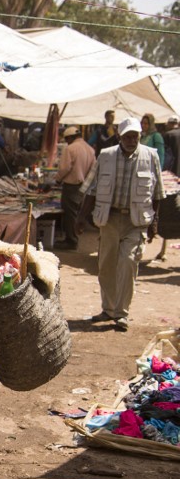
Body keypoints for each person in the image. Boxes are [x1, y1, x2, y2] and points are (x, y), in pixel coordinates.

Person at [79, 117, 164, 333]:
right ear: (119, 136)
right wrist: (80, 216)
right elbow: (91, 187)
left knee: (127, 263)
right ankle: (108, 309)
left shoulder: (150, 156)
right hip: (109, 219)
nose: (131, 140)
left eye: (135, 136)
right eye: (127, 136)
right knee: (106, 265)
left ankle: (122, 313)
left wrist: (154, 221)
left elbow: (158, 193)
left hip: (136, 221)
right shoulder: (106, 156)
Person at [54, 126, 96, 250]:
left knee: (70, 214)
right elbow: (93, 169)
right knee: (78, 213)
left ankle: (71, 240)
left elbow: (65, 168)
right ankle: (73, 237)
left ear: (70, 137)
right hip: (84, 185)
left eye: (67, 139)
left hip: (71, 186)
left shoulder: (70, 148)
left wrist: (57, 179)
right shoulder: (90, 149)